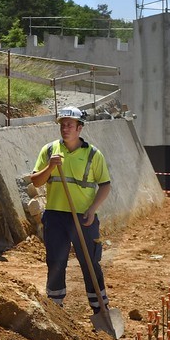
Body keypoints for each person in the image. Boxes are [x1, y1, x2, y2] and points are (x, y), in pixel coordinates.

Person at [24, 107, 112, 311]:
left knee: (90, 263)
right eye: (62, 125)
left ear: (79, 128)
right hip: (55, 217)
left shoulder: (93, 154)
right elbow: (36, 182)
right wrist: (51, 167)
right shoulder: (49, 150)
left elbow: (105, 185)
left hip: (83, 217)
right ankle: (55, 307)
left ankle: (100, 306)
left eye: (70, 125)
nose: (65, 128)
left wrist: (92, 210)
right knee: (56, 261)